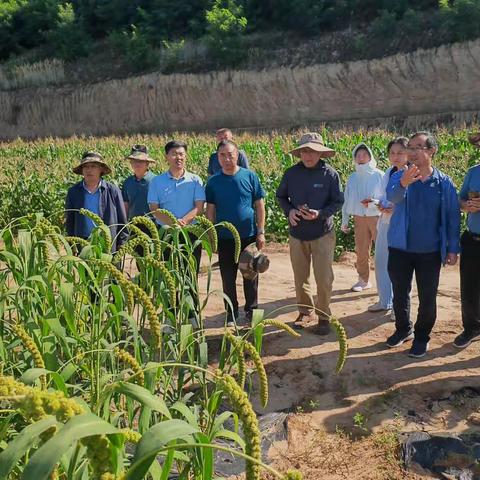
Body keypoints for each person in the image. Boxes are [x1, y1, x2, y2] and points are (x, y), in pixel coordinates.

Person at [386, 131, 460, 358]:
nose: (412, 152)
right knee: (399, 292)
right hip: (400, 247)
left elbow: (451, 217)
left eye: (418, 147)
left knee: (427, 296)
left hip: (429, 250)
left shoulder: (443, 182)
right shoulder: (400, 175)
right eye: (410, 147)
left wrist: (453, 248)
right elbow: (392, 197)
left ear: (431, 151)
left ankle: (421, 336)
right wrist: (404, 184)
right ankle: (403, 328)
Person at [276, 132, 344, 335]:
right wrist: (291, 211)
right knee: (300, 276)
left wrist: (321, 213)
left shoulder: (330, 174)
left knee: (323, 278)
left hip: (322, 233)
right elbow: (281, 196)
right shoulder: (291, 173)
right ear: (300, 153)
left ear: (320, 153)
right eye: (305, 151)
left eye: (312, 151)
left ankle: (323, 316)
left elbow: (338, 202)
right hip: (297, 233)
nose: (308, 155)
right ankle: (305, 311)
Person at [205, 139, 266, 325]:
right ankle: (231, 313)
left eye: (230, 154)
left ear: (237, 155)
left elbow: (260, 205)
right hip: (224, 238)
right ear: (217, 158)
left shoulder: (250, 176)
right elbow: (210, 211)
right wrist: (211, 235)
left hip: (248, 236)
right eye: (222, 155)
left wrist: (261, 231)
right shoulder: (213, 182)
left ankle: (251, 310)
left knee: (251, 275)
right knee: (228, 277)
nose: (226, 158)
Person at [147, 140, 205, 273]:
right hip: (165, 233)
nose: (178, 157)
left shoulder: (195, 180)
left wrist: (182, 222)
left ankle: (191, 295)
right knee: (168, 274)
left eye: (181, 154)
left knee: (190, 273)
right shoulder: (157, 182)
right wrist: (173, 223)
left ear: (186, 156)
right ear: (166, 157)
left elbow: (199, 207)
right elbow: (154, 209)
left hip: (190, 233)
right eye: (174, 154)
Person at [368, 137, 409, 316]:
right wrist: (376, 202)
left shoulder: (412, 173)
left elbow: (410, 202)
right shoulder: (389, 172)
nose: (396, 156)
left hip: (402, 225)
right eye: (392, 153)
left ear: (409, 153)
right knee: (381, 261)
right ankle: (385, 301)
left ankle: (400, 307)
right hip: (385, 222)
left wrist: (392, 208)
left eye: (400, 152)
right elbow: (384, 196)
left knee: (401, 267)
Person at [341, 143, 384, 292]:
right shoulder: (352, 178)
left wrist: (373, 203)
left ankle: (384, 282)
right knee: (361, 251)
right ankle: (363, 280)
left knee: (382, 251)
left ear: (370, 156)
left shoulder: (379, 175)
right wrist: (344, 220)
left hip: (377, 217)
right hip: (359, 217)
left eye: (364, 155)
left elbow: (386, 198)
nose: (360, 157)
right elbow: (346, 200)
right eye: (358, 155)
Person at [65, 151, 127, 251]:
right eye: (86, 167)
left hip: (108, 241)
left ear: (101, 169)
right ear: (82, 170)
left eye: (93, 166)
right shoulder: (74, 192)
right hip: (83, 242)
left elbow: (122, 219)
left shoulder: (112, 191)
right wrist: (72, 244)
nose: (89, 170)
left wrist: (122, 243)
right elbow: (70, 220)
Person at [454, 132, 480, 348]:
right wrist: (465, 205)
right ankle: (471, 328)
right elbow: (460, 199)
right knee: (469, 287)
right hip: (473, 239)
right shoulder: (473, 172)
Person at [122, 145, 156, 221]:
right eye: (134, 161)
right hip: (133, 226)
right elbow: (125, 206)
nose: (137, 164)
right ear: (131, 163)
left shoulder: (155, 181)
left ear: (147, 163)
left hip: (153, 227)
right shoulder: (127, 183)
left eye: (140, 161)